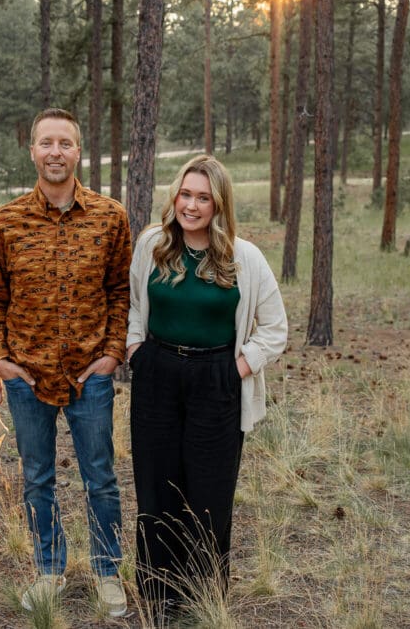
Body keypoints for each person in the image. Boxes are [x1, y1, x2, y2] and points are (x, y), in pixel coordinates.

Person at [0, 108, 131, 617]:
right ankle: (50, 570)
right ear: (31, 151)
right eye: (46, 143)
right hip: (27, 375)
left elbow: (119, 292)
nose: (55, 152)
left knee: (100, 476)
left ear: (78, 150)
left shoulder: (110, 217)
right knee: (38, 476)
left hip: (91, 373)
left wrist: (113, 353)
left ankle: (108, 572)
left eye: (65, 143)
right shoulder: (5, 222)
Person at [125, 154, 288, 615]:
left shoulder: (244, 257)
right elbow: (136, 306)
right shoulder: (153, 245)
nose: (191, 206)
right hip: (157, 375)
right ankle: (159, 596)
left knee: (209, 493)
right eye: (185, 194)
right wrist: (138, 350)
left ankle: (204, 597)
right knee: (157, 489)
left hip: (217, 381)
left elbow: (274, 329)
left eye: (203, 198)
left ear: (219, 205)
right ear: (174, 195)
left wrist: (235, 369)